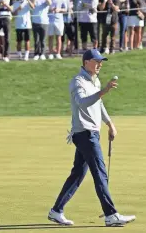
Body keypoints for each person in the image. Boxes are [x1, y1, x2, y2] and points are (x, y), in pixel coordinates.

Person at [48, 49, 136, 227]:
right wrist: (103, 91)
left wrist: (110, 124)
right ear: (86, 62)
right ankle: (111, 215)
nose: (100, 64)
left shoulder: (94, 81)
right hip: (84, 134)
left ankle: (56, 211)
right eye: (96, 61)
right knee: (100, 173)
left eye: (101, 61)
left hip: (92, 133)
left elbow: (99, 105)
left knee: (78, 174)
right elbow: (83, 103)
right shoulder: (77, 81)